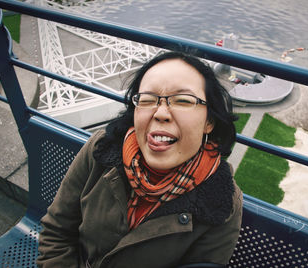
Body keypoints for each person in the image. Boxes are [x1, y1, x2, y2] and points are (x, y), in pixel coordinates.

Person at [37, 51, 243, 268]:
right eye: (147, 99)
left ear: (209, 121)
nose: (161, 113)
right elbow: (57, 231)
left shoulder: (222, 204)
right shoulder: (101, 148)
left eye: (183, 100)